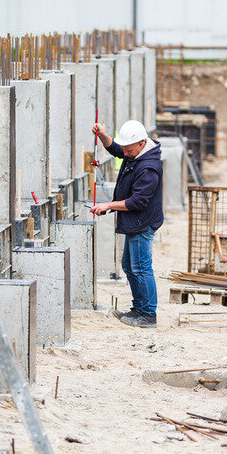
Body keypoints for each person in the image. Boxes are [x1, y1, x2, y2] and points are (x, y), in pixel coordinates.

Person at [89, 120, 163, 328]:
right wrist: (103, 135)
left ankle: (148, 314)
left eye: (129, 149)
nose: (125, 153)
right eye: (125, 149)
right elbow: (116, 149)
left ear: (141, 144)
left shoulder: (148, 167)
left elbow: (137, 201)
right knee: (129, 266)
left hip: (142, 222)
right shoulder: (136, 154)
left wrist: (107, 205)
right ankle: (138, 308)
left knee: (140, 268)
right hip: (134, 221)